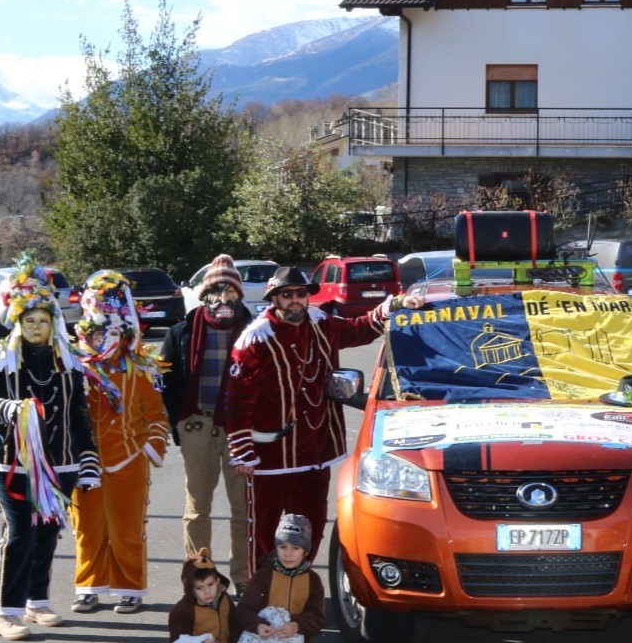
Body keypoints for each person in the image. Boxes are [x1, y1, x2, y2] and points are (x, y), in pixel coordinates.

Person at [226, 266, 422, 562]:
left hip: (316, 446)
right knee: (264, 529)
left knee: (312, 522)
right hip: (272, 453)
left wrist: (393, 305)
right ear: (274, 299)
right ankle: (263, 592)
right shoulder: (255, 339)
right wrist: (242, 450)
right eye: (287, 295)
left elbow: (360, 329)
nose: (295, 300)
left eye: (300, 294)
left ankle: (300, 584)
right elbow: (238, 399)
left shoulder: (322, 323)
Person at [0, 258, 99, 641]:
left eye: (42, 320)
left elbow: (79, 413)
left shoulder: (69, 363)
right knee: (19, 533)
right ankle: (6, 612)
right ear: (17, 322)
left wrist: (88, 460)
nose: (35, 327)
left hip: (60, 463)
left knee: (47, 531)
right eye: (28, 321)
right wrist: (9, 410)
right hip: (12, 464)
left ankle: (36, 600)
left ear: (53, 324)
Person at [70, 272, 169, 615]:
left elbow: (157, 417)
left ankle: (130, 589)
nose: (104, 338)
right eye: (98, 332)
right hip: (85, 461)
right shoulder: (74, 368)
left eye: (112, 331)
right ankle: (89, 587)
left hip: (128, 459)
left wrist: (149, 448)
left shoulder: (140, 369)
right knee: (87, 528)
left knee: (127, 529)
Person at [160, 255, 255, 587]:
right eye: (215, 288)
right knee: (197, 507)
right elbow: (164, 380)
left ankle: (244, 577)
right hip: (196, 426)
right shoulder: (182, 331)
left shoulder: (255, 329)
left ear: (238, 293)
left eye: (229, 288)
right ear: (204, 293)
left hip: (240, 430)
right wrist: (177, 424)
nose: (222, 296)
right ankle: (200, 576)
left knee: (243, 508)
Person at [230, 514, 347, 643]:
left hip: (296, 637)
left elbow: (317, 617)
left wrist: (296, 625)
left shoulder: (313, 580)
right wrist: (258, 626)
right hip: (264, 639)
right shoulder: (263, 575)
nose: (288, 553)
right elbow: (244, 609)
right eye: (282, 546)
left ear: (305, 551)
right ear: (276, 547)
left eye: (295, 548)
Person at [140, 548, 241, 643]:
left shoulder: (225, 600)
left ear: (217, 581)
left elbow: (235, 626)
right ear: (190, 588)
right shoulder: (182, 610)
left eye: (210, 585)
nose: (207, 592)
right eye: (200, 588)